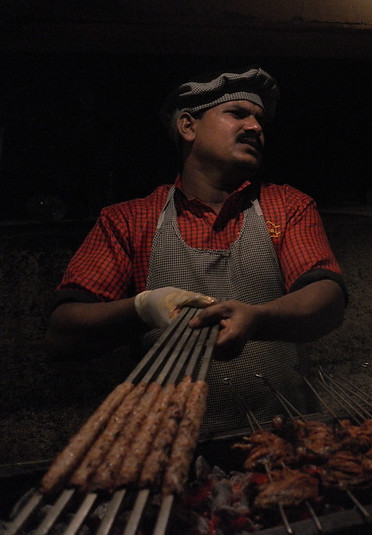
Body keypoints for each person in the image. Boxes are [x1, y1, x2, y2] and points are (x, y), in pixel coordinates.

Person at [44, 66, 347, 437]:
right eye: (237, 113)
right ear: (188, 126)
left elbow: (328, 299)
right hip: (169, 447)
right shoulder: (129, 221)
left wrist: (257, 319)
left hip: (283, 435)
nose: (256, 127)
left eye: (260, 119)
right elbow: (62, 333)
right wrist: (141, 308)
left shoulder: (287, 206)